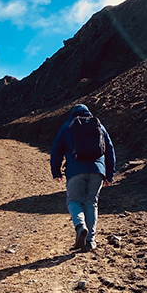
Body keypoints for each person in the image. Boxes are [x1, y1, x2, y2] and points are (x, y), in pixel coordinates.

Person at [51, 103, 115, 252]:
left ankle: (80, 226)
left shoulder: (67, 126)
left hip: (75, 171)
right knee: (91, 203)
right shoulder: (99, 126)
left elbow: (57, 150)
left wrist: (56, 171)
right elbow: (110, 151)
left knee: (73, 200)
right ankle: (90, 241)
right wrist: (109, 175)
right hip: (97, 171)